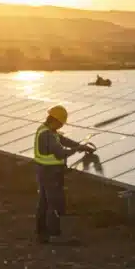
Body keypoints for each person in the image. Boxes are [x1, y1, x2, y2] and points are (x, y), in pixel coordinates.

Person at [33, 105, 92, 244]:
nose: (61, 126)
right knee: (54, 203)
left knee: (44, 202)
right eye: (60, 123)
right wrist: (77, 149)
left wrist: (80, 145)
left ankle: (41, 232)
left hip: (44, 171)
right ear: (55, 120)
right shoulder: (47, 135)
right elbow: (60, 152)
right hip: (50, 173)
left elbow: (63, 140)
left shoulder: (46, 130)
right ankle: (54, 235)